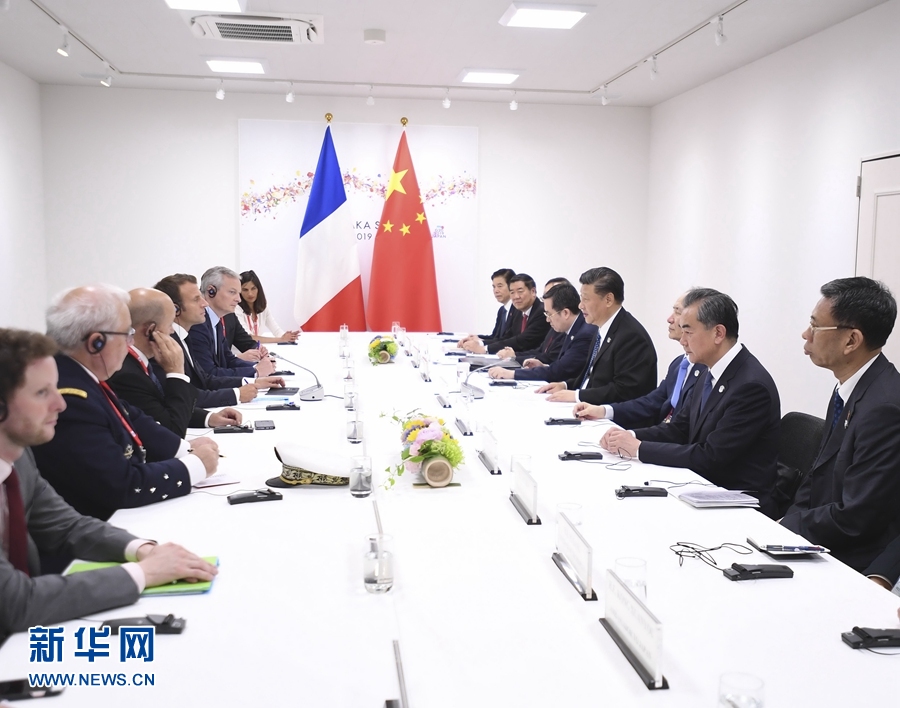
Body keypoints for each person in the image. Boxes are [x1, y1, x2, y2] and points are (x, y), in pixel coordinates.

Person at [0, 327, 218, 645]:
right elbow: (17, 603)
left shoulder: (19, 458)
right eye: (42, 393)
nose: (60, 404)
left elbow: (66, 525)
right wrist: (144, 573)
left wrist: (143, 550)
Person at [30, 285, 221, 522]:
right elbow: (122, 485)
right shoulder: (69, 398)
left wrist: (184, 448)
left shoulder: (78, 374)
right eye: (126, 334)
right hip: (97, 525)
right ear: (96, 342)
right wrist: (195, 466)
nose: (131, 343)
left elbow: (129, 415)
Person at [601, 288, 780, 516]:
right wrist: (628, 436)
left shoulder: (751, 386)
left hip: (736, 503)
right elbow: (680, 428)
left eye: (688, 332)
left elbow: (711, 456)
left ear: (718, 333)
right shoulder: (706, 371)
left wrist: (639, 449)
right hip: (701, 487)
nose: (683, 341)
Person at [781, 277, 900, 573]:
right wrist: (784, 528)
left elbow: (858, 515)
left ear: (851, 341)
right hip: (822, 537)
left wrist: (786, 527)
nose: (805, 334)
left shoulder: (884, 408)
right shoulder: (849, 387)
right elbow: (817, 475)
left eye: (815, 326)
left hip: (855, 561)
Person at [107, 288, 242, 437]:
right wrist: (176, 373)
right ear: (150, 331)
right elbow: (172, 430)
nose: (172, 331)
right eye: (169, 324)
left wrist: (208, 417)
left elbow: (161, 408)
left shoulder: (138, 361)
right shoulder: (127, 374)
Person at [572, 292, 706, 428]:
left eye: (677, 312)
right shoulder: (679, 364)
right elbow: (652, 401)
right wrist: (604, 411)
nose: (669, 319)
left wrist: (633, 436)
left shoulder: (704, 370)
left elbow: (680, 429)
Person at [154, 274, 284, 408]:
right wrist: (240, 391)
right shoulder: (171, 342)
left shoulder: (189, 334)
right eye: (196, 299)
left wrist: (253, 381)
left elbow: (206, 378)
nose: (204, 303)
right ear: (175, 309)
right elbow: (189, 392)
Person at [538, 267, 657, 404]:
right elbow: (591, 377)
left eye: (585, 299)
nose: (580, 305)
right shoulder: (600, 329)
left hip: (613, 414)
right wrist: (565, 385)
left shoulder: (631, 336)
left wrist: (577, 396)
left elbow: (625, 391)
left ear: (608, 300)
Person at [488, 283, 595, 383]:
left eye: (549, 314)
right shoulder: (573, 328)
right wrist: (544, 367)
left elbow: (560, 371)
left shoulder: (583, 334)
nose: (547, 320)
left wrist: (512, 374)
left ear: (565, 313)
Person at [188, 266, 275, 379]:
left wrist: (257, 367)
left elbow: (228, 360)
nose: (239, 299)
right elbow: (209, 373)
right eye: (232, 292)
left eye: (238, 293)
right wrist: (255, 372)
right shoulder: (198, 324)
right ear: (211, 291)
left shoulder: (216, 321)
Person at [459, 273, 550, 354]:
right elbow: (507, 337)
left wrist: (485, 349)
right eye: (512, 292)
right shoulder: (519, 311)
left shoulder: (541, 312)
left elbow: (522, 340)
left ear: (533, 291)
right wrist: (480, 343)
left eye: (520, 291)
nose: (516, 296)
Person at [494, 277, 571, 364]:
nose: (516, 297)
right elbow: (540, 351)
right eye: (545, 296)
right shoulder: (518, 312)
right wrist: (513, 355)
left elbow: (549, 358)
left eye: (550, 295)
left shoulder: (543, 314)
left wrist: (514, 358)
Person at [236, 270, 301, 345]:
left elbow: (277, 331)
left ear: (258, 289)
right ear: (239, 291)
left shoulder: (263, 307)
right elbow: (248, 338)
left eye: (253, 288)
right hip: (239, 351)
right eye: (245, 290)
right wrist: (281, 339)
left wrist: (288, 337)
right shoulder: (236, 309)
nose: (250, 293)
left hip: (255, 350)